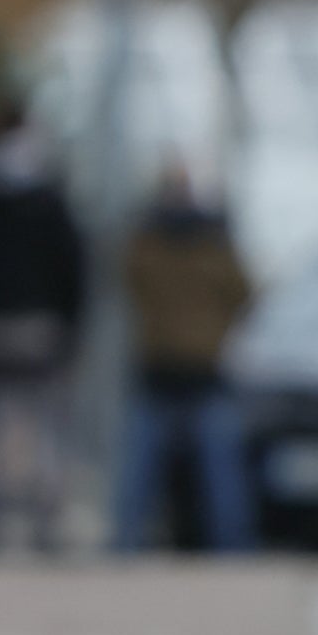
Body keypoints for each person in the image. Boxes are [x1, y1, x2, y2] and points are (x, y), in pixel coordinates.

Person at [0, 99, 86, 550]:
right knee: (44, 424)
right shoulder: (48, 194)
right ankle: (45, 520)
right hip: (40, 326)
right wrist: (70, 324)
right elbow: (72, 267)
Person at [118, 162, 256, 552]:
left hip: (201, 374)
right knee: (140, 478)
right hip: (163, 373)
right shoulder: (156, 243)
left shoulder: (184, 243)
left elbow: (243, 292)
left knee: (220, 478)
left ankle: (233, 552)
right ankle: (124, 549)